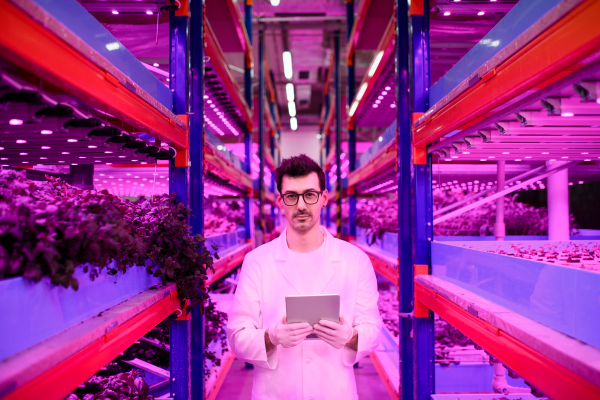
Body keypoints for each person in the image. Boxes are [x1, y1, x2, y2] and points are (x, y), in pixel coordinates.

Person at [227, 154, 383, 400]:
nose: (301, 205)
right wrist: (271, 336)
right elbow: (237, 338)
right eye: (291, 196)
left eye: (310, 194)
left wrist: (351, 336)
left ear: (323, 198)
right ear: (280, 200)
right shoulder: (257, 262)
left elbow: (373, 330)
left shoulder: (355, 260)